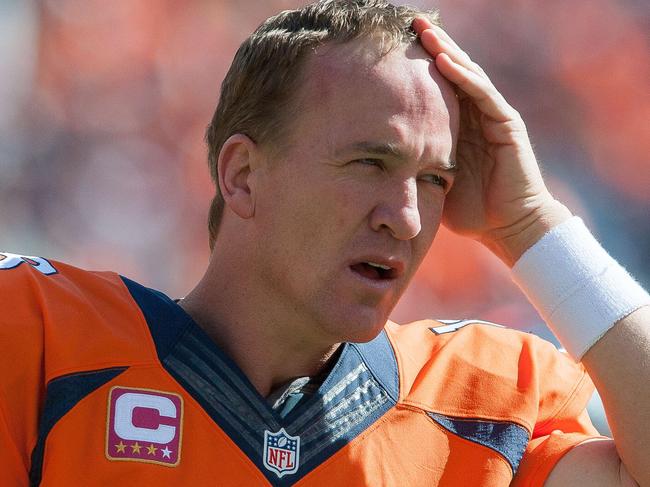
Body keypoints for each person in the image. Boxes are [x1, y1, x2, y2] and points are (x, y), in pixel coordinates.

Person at [1, 0, 648, 485]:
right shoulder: (45, 341)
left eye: (432, 179)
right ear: (243, 176)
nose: (407, 217)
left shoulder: (479, 405)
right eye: (369, 162)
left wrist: (530, 222)